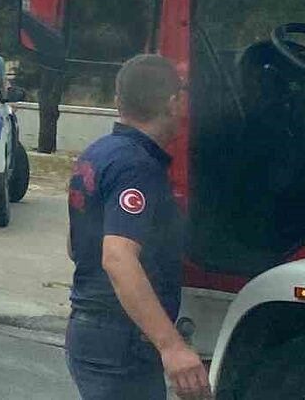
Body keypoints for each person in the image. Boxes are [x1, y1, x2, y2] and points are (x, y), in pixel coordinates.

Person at [66, 54, 210, 399]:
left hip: (92, 330)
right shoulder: (137, 167)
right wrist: (172, 346)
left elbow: (76, 245)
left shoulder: (97, 153)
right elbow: (117, 258)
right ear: (174, 104)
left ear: (118, 103)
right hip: (120, 340)